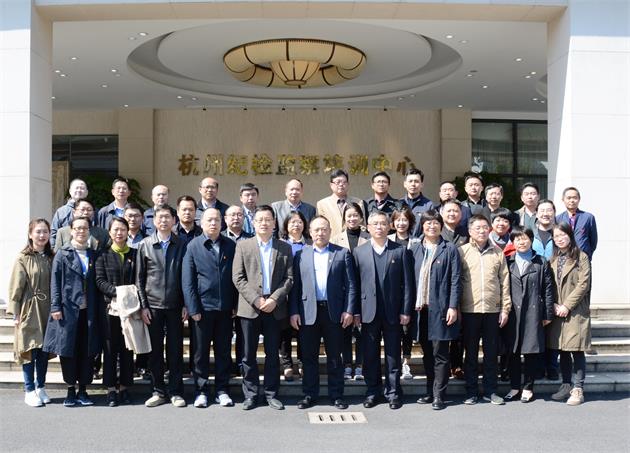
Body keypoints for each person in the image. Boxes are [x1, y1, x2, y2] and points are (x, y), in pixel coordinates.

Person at [290, 215, 358, 410]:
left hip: (334, 312)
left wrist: (349, 310)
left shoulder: (342, 253)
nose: (320, 233)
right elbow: (295, 287)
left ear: (330, 231)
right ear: (310, 232)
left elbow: (351, 285)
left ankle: (336, 395)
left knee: (335, 356)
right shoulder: (301, 255)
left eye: (324, 229)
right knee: (309, 357)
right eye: (316, 229)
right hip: (307, 312)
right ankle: (309, 394)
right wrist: (294, 311)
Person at [232, 205, 293, 411]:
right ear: (254, 223)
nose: (264, 223)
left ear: (274, 223)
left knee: (272, 354)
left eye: (268, 219)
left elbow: (289, 278)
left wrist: (275, 299)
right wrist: (256, 299)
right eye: (260, 220)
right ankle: (250, 394)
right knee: (248, 354)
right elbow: (238, 277)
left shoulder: (284, 248)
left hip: (274, 308)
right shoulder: (243, 246)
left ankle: (271, 393)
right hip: (250, 308)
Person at [353, 211, 413, 410]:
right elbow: (355, 285)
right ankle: (373, 391)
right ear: (368, 228)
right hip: (368, 312)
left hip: (393, 312)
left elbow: (408, 284)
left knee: (392, 354)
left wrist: (406, 310)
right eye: (375, 224)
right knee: (370, 355)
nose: (379, 227)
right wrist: (355, 312)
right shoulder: (359, 252)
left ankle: (393, 392)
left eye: (382, 223)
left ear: (389, 226)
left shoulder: (400, 251)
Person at [43, 216, 101, 407]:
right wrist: (55, 306)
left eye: (84, 228)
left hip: (89, 311)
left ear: (89, 231)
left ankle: (83, 390)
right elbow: (55, 282)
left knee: (87, 350)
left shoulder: (94, 254)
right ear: (71, 231)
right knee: (68, 350)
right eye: (77, 228)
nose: (81, 231)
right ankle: (70, 390)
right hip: (68, 310)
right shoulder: (62, 254)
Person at [183, 208, 237, 408]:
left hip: (225, 309)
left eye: (216, 220)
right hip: (202, 309)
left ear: (222, 223)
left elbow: (236, 277)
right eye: (209, 220)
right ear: (201, 223)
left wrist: (235, 304)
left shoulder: (230, 245)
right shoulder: (193, 246)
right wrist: (193, 308)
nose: (213, 223)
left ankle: (222, 390)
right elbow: (188, 281)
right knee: (200, 353)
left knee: (223, 351)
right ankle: (201, 391)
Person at [136, 205, 188, 408]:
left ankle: (176, 392)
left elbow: (186, 278)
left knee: (175, 351)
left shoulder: (182, 244)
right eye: (160, 217)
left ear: (174, 220)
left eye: (168, 217)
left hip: (175, 306)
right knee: (155, 352)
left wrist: (186, 304)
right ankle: (158, 391)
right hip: (153, 306)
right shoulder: (145, 245)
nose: (164, 221)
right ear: (154, 221)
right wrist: (143, 306)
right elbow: (139, 279)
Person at [411, 210, 462, 410]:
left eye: (435, 223)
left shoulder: (449, 249)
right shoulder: (415, 248)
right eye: (428, 223)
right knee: (427, 353)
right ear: (422, 226)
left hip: (441, 309)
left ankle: (439, 395)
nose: (431, 226)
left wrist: (452, 306)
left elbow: (456, 280)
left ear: (441, 226)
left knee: (440, 353)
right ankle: (429, 391)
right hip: (420, 310)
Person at [459, 214, 511, 405]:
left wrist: (505, 309)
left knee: (491, 354)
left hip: (492, 310)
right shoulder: (462, 251)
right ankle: (471, 391)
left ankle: (491, 391)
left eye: (484, 227)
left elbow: (505, 282)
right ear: (470, 231)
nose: (481, 231)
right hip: (469, 310)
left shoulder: (497, 252)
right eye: (477, 228)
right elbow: (456, 281)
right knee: (470, 354)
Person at [503, 227, 555, 403]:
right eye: (517, 239)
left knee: (531, 352)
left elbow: (548, 289)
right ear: (513, 242)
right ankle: (514, 387)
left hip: (533, 312)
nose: (521, 242)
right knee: (513, 351)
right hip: (512, 313)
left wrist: (547, 313)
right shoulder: (507, 261)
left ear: (531, 240)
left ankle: (528, 388)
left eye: (525, 238)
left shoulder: (541, 261)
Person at [8, 219, 54, 407]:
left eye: (45, 232)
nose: (42, 235)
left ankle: (40, 386)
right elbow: (15, 286)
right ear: (30, 234)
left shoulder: (51, 256)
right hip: (29, 308)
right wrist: (15, 312)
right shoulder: (23, 257)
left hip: (48, 308)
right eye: (38, 232)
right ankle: (29, 390)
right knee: (29, 349)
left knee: (44, 350)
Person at [548, 222, 592, 406]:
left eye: (563, 235)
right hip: (557, 310)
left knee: (576, 349)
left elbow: (584, 284)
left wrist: (567, 305)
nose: (560, 239)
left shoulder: (581, 256)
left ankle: (578, 388)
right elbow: (549, 284)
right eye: (556, 236)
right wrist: (553, 304)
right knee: (563, 349)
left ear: (570, 235)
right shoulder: (553, 258)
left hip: (575, 311)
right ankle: (566, 385)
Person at [95, 217, 137, 407]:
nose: (119, 233)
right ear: (110, 233)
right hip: (109, 309)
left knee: (127, 348)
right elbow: (100, 281)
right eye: (116, 229)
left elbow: (139, 278)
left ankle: (125, 387)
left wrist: (130, 296)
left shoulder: (135, 254)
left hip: (130, 309)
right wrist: (120, 293)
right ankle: (111, 389)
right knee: (110, 349)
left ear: (128, 232)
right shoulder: (102, 255)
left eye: (123, 229)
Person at [330, 202, 370, 381]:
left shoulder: (369, 238)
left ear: (361, 218)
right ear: (344, 219)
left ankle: (360, 365)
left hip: (364, 289)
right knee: (345, 329)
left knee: (361, 329)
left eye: (356, 215)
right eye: (349, 216)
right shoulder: (335, 239)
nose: (352, 218)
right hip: (343, 291)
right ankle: (347, 364)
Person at [279, 210, 311, 381]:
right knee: (284, 332)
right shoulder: (280, 244)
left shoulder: (310, 245)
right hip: (284, 294)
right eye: (292, 222)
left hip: (304, 294)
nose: (296, 225)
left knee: (303, 331)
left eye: (299, 222)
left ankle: (303, 363)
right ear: (286, 226)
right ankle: (287, 365)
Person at [221, 205, 253, 376]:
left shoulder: (251, 239)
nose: (236, 218)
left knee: (243, 334)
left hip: (245, 294)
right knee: (224, 335)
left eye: (239, 215)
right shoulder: (219, 238)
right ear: (225, 219)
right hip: (224, 292)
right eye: (232, 215)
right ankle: (227, 366)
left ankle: (242, 364)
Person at [387, 206, 417, 380]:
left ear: (410, 222)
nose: (401, 223)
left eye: (404, 219)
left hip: (410, 289)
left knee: (407, 330)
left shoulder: (417, 242)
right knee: (393, 331)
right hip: (392, 293)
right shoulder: (387, 240)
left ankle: (406, 362)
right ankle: (394, 363)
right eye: (398, 220)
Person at [317, 169, 366, 239]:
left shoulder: (358, 202)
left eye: (344, 182)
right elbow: (321, 226)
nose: (341, 184)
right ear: (331, 185)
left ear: (348, 184)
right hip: (331, 241)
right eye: (338, 182)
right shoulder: (322, 204)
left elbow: (362, 225)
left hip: (354, 240)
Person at [556, 187, 598, 261]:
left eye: (575, 198)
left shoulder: (588, 217)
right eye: (569, 198)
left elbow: (593, 241)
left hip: (583, 259)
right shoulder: (558, 219)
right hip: (564, 259)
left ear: (579, 199)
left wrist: (587, 254)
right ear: (563, 199)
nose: (572, 200)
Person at [51, 179, 88, 247]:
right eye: (76, 188)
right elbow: (53, 233)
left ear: (87, 192)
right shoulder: (61, 211)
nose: (79, 190)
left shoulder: (92, 211)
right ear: (70, 191)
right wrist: (53, 249)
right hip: (65, 250)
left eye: (82, 188)